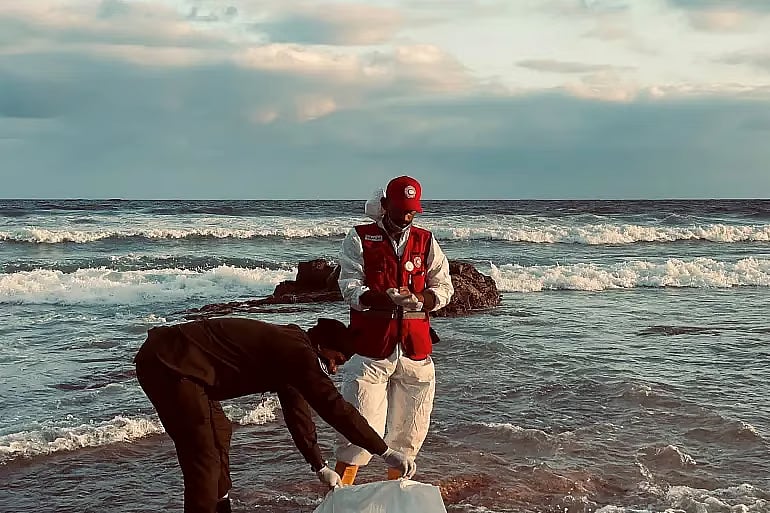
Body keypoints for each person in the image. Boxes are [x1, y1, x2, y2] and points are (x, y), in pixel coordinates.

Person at [134, 316, 416, 513]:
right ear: (325, 346)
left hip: (187, 368)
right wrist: (384, 451)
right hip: (169, 365)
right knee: (204, 457)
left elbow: (298, 416)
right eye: (337, 360)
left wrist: (319, 467)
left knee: (220, 433)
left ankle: (220, 506)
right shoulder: (297, 353)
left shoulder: (293, 348)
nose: (333, 369)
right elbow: (334, 408)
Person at [335, 175, 454, 484]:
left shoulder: (425, 241)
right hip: (371, 351)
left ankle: (396, 494)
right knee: (358, 430)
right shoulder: (360, 237)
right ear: (384, 204)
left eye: (412, 210)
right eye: (400, 209)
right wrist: (381, 297)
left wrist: (421, 300)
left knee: (409, 435)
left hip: (416, 351)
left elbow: (444, 288)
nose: (406, 216)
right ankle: (339, 495)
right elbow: (349, 287)